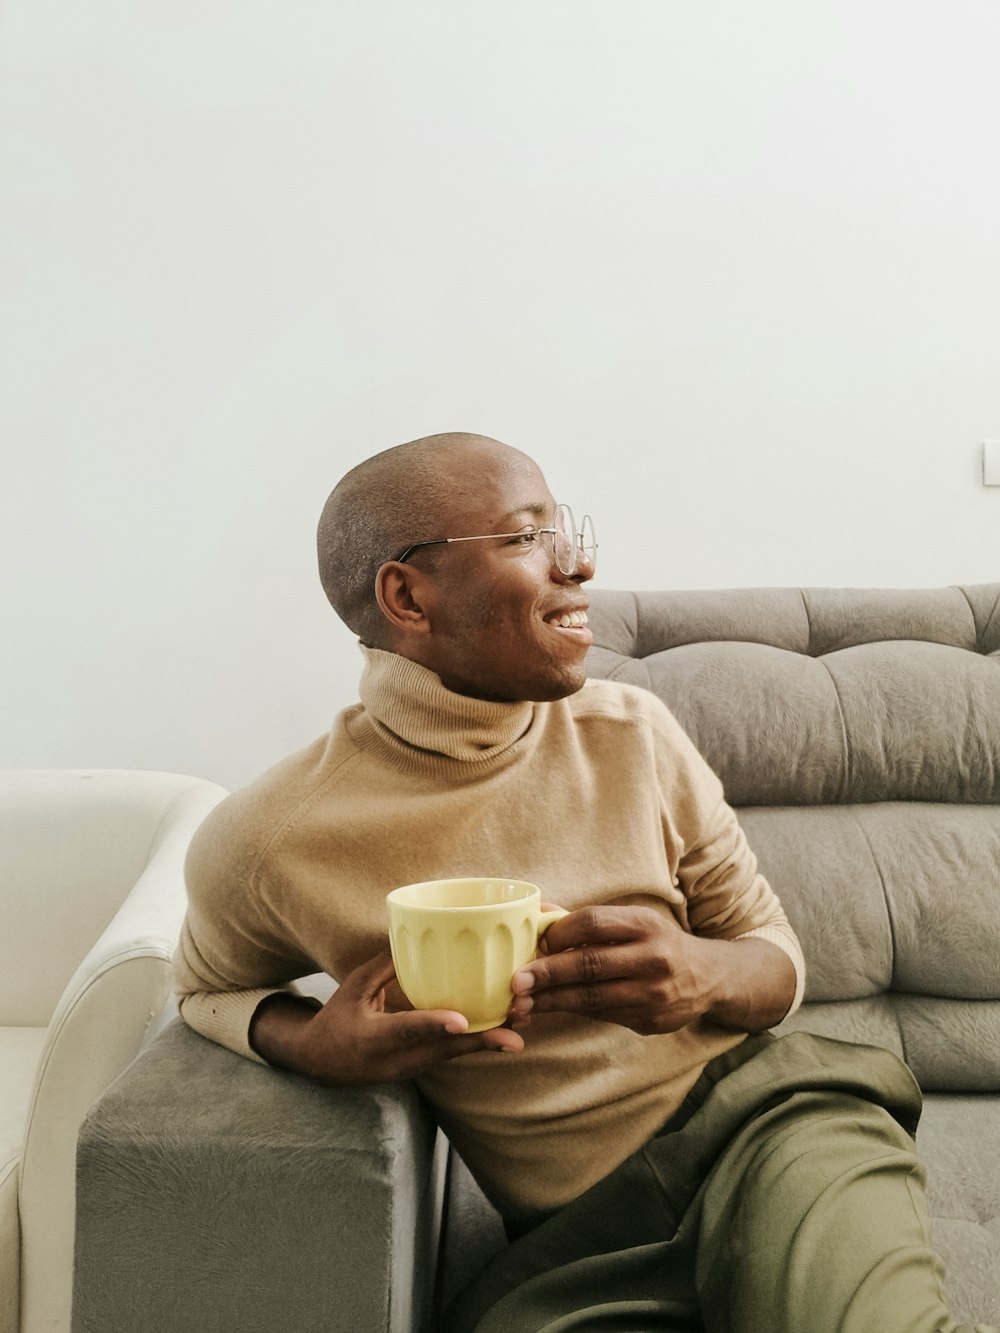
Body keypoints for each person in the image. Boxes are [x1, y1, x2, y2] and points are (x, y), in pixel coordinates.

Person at [174, 432, 992, 1333]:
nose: (582, 563)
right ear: (407, 596)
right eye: (528, 537)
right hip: (577, 1237)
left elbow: (776, 960)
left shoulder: (633, 733)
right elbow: (205, 987)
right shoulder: (273, 836)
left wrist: (700, 973)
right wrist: (316, 1044)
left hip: (770, 1128)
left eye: (566, 528)